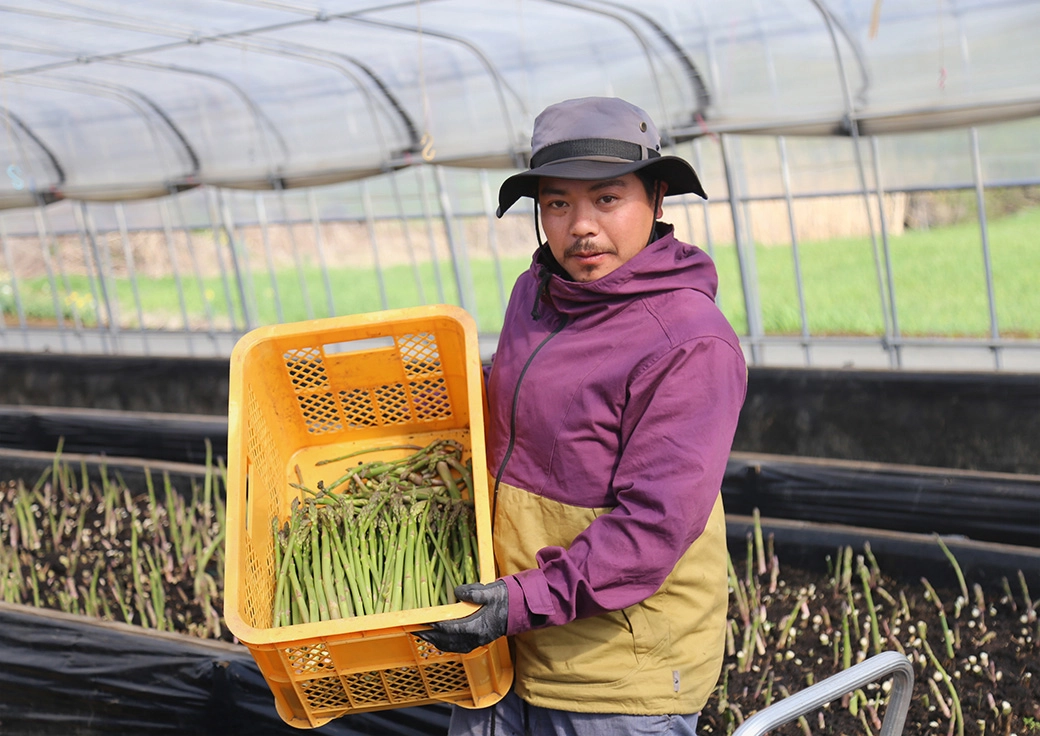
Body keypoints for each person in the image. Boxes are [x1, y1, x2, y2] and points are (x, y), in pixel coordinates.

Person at [418, 96, 748, 735]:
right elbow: (515, 413)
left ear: (656, 199)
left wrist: (521, 601)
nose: (580, 228)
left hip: (615, 674)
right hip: (511, 645)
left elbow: (651, 527)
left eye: (606, 198)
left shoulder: (687, 341)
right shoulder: (534, 295)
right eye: (557, 204)